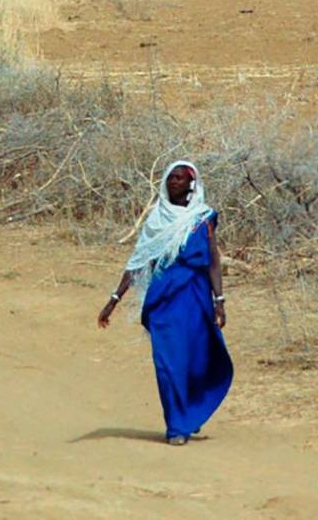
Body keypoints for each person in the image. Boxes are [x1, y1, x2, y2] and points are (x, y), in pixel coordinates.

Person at [97, 160, 233, 445]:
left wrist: (219, 300)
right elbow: (138, 262)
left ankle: (190, 411)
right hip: (164, 300)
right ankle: (176, 426)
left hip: (196, 299)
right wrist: (113, 300)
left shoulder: (203, 218)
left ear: (191, 183)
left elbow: (213, 261)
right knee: (168, 363)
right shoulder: (157, 220)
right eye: (170, 178)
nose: (173, 182)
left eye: (179, 178)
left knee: (197, 359)